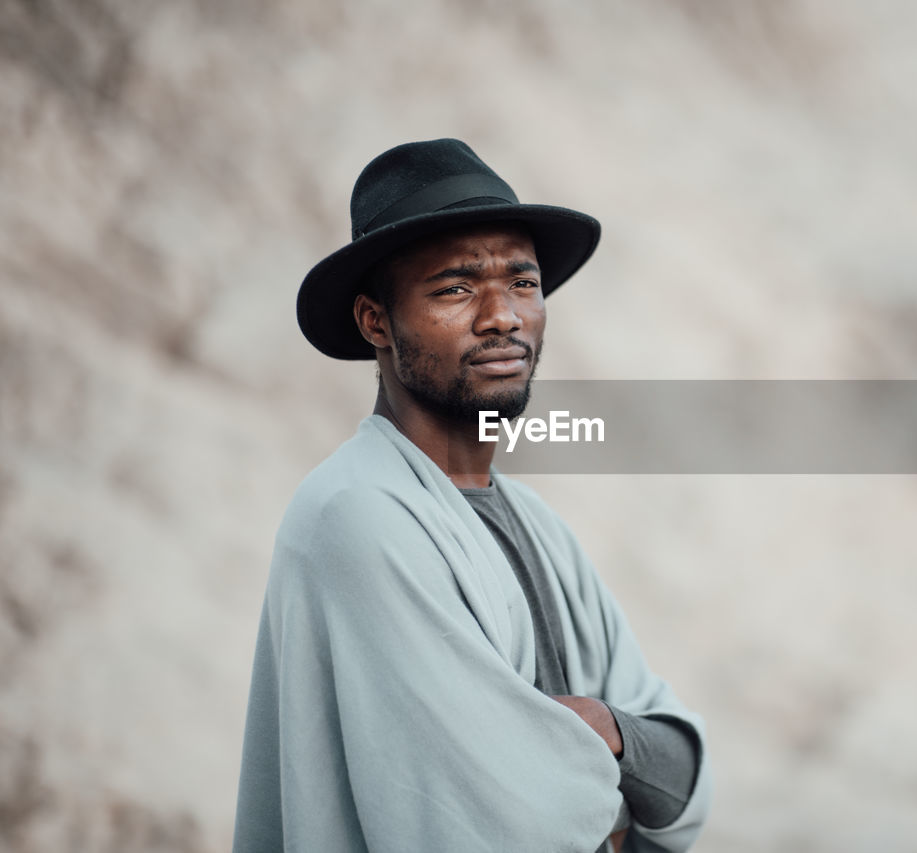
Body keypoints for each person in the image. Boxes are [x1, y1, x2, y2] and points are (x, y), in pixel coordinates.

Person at [232, 139, 711, 853]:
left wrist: (610, 733)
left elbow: (685, 773)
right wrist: (614, 783)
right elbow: (504, 821)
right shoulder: (356, 516)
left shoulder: (539, 526)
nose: (503, 316)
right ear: (375, 321)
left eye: (523, 283)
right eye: (455, 288)